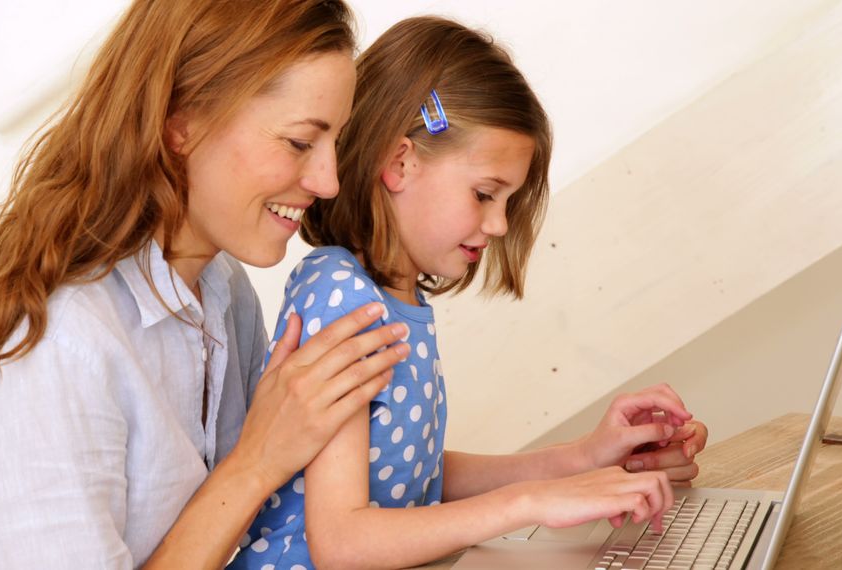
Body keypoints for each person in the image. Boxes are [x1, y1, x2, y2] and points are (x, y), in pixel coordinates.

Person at [0, 1, 412, 568]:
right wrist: (258, 459)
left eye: (334, 142)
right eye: (299, 142)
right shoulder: (50, 351)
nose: (328, 181)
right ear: (181, 123)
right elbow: (259, 469)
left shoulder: (222, 291)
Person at [229, 16, 708, 569]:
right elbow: (343, 542)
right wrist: (530, 502)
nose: (500, 224)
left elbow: (416, 475)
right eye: (485, 194)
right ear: (400, 163)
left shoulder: (393, 302)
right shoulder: (338, 292)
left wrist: (585, 458)